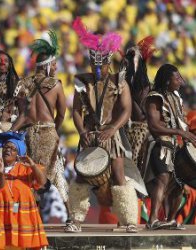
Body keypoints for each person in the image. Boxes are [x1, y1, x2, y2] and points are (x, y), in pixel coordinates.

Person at [68, 17, 138, 233]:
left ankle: (128, 220)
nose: (98, 68)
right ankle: (75, 219)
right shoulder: (82, 81)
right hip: (90, 134)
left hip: (112, 135)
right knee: (82, 175)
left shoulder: (120, 81)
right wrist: (82, 132)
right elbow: (76, 111)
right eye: (94, 64)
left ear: (109, 62)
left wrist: (113, 128)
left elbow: (127, 110)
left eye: (102, 64)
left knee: (118, 175)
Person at [11, 30, 68, 211]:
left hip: (29, 133)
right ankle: (71, 216)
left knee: (30, 174)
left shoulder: (23, 84)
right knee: (56, 173)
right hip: (48, 132)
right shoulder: (56, 85)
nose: (56, 67)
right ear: (47, 65)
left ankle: (30, 215)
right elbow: (61, 113)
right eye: (54, 63)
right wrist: (54, 130)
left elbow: (21, 114)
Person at [143, 64, 196, 230]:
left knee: (180, 182)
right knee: (163, 179)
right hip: (160, 144)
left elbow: (181, 122)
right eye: (177, 78)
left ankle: (171, 219)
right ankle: (152, 220)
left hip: (175, 145)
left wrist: (188, 137)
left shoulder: (176, 97)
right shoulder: (155, 97)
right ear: (167, 81)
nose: (181, 81)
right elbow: (153, 125)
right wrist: (179, 131)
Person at [0, 132, 48, 248]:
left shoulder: (24, 169)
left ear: (18, 154)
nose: (8, 150)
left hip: (22, 218)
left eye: (13, 149)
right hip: (0, 216)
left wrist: (32, 166)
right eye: (6, 147)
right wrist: (0, 172)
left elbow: (42, 182)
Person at [121, 36, 155, 171]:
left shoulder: (146, 87)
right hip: (122, 131)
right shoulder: (121, 84)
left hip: (141, 133)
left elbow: (144, 117)